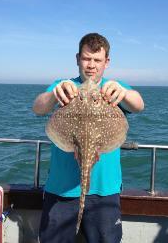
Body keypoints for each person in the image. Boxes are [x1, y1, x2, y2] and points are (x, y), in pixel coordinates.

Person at [33, 33, 144, 243]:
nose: (91, 65)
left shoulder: (114, 89)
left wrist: (125, 94)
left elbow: (138, 105)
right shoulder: (64, 86)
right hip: (61, 190)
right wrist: (53, 95)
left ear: (106, 62)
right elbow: (38, 107)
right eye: (86, 58)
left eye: (97, 60)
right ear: (77, 59)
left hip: (105, 190)